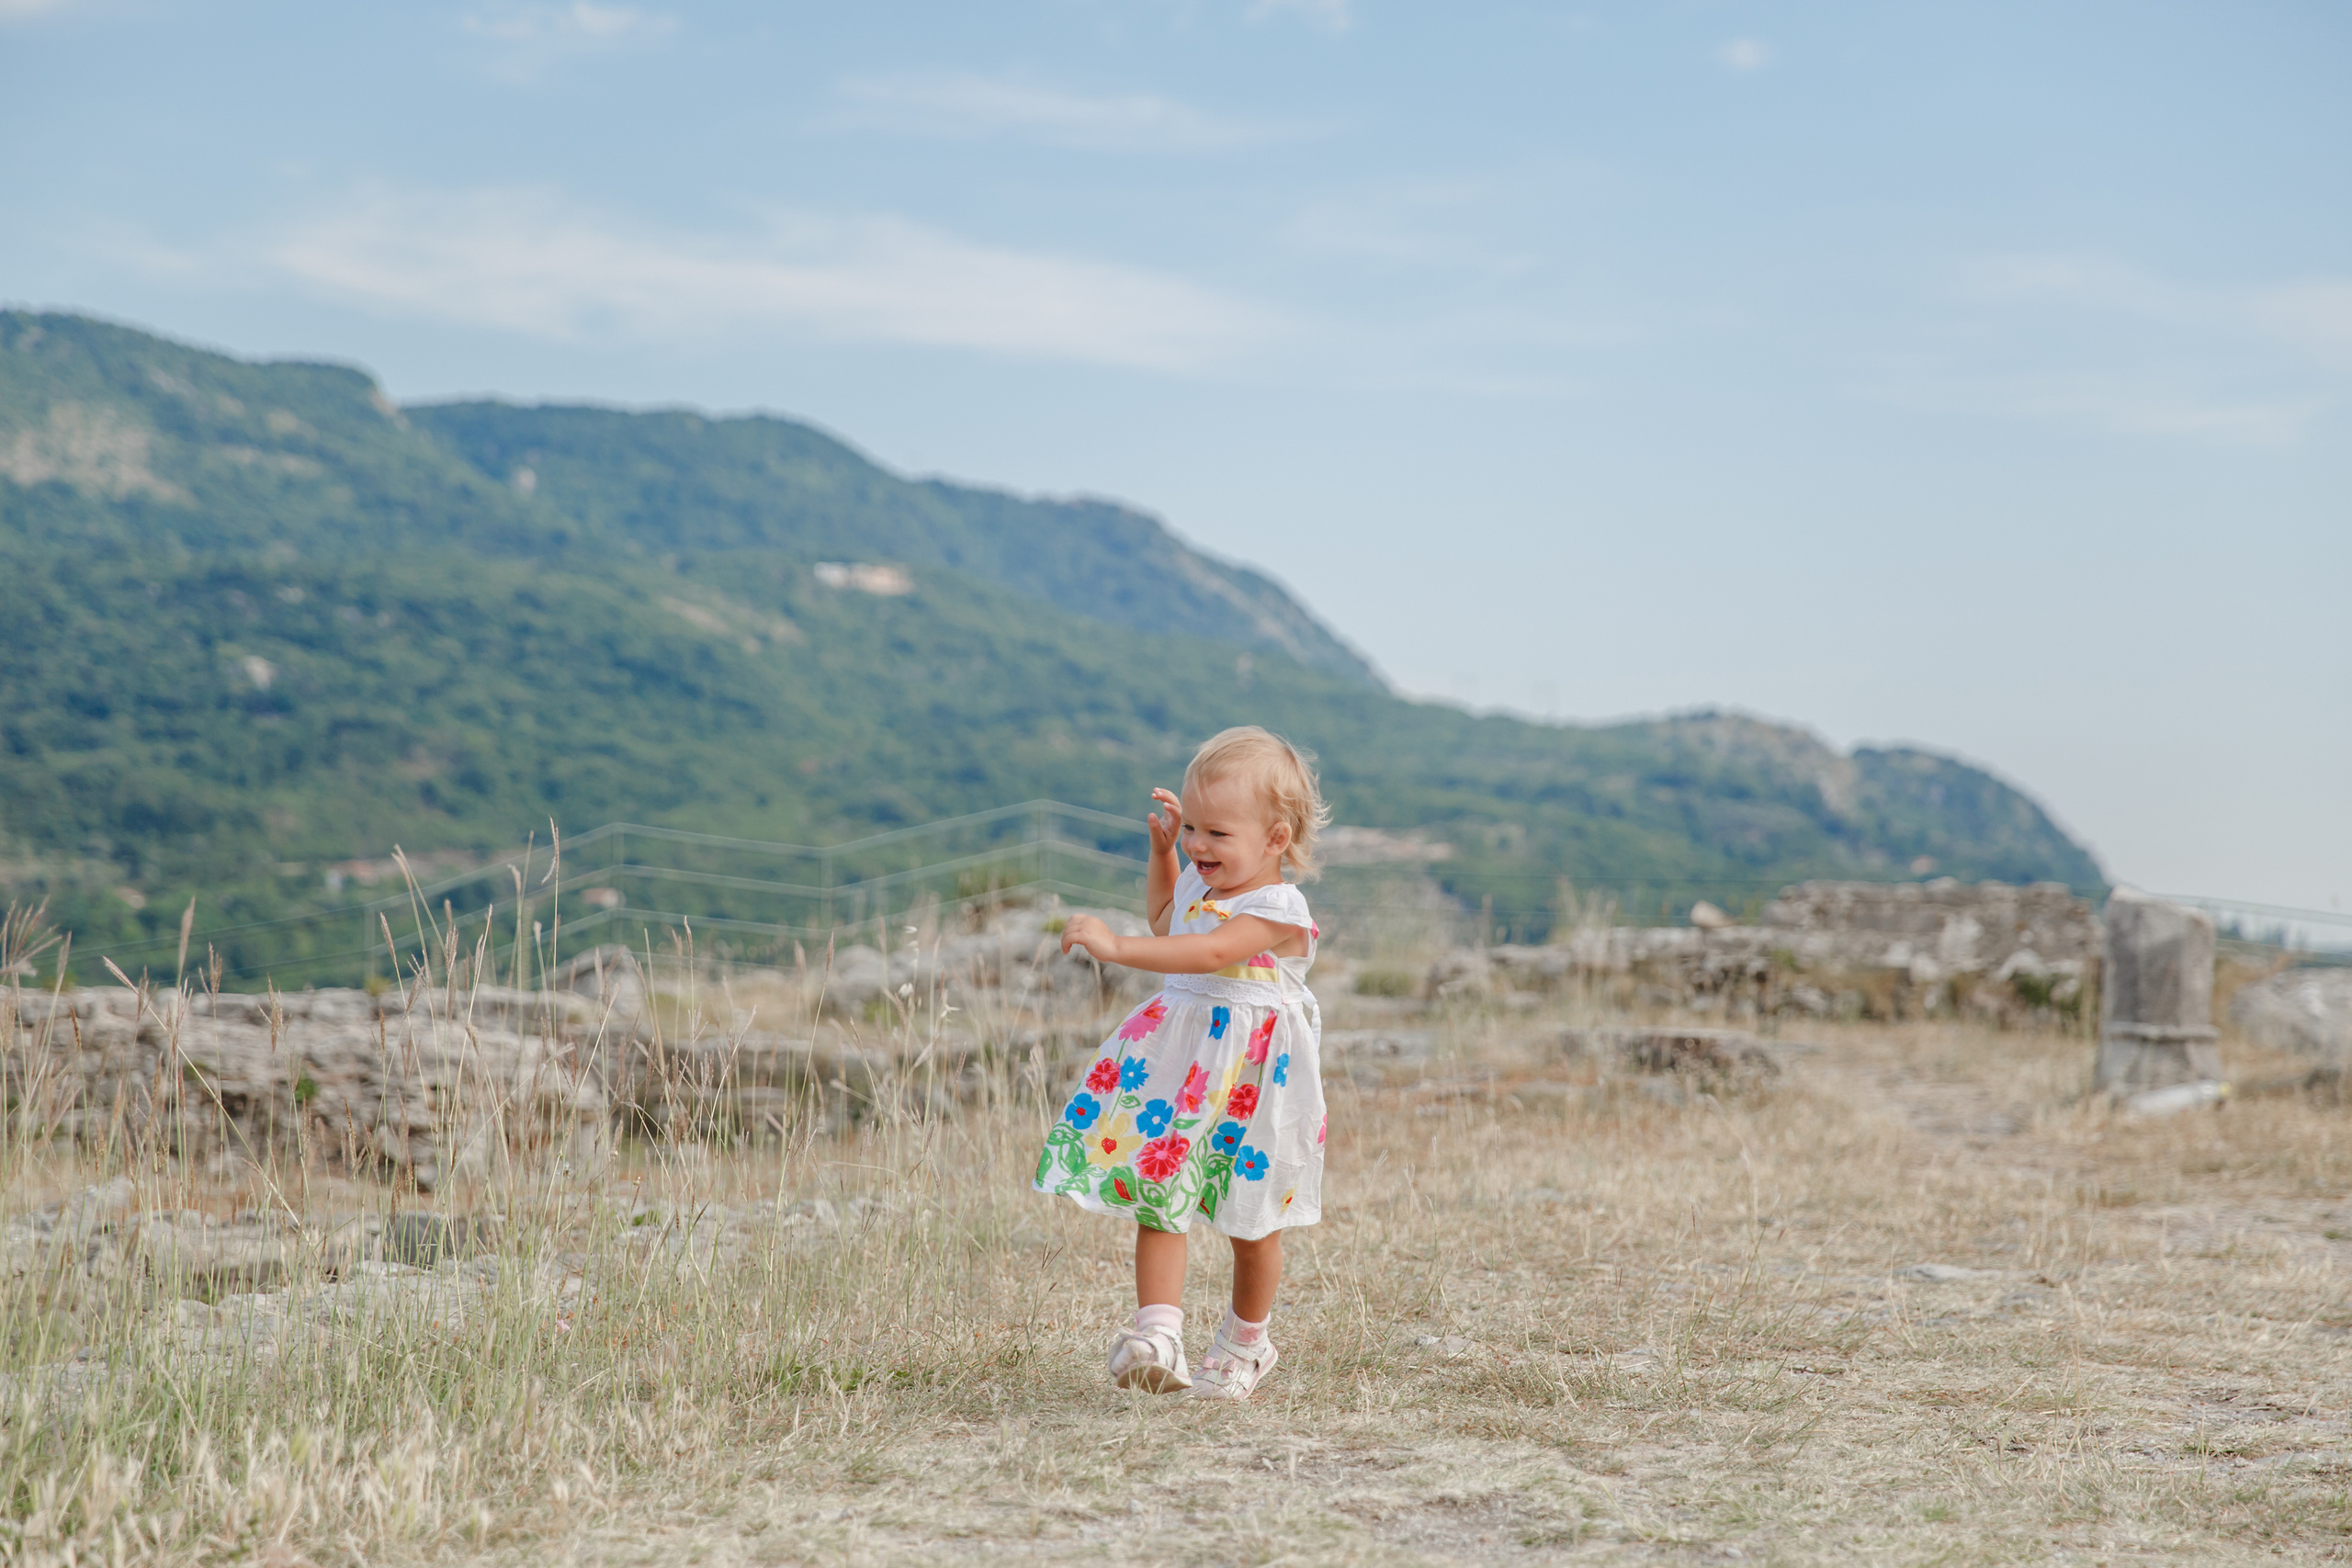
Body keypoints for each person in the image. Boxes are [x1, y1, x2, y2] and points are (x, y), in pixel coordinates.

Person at [1036, 726, 1330, 1401]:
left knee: (1252, 1222)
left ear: (1276, 839)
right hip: (1188, 1070)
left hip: (1252, 1083)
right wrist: (1163, 854)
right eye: (1193, 827)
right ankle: (1159, 1335)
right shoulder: (1198, 876)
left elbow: (1209, 952)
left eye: (1216, 833)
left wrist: (1116, 947)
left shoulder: (1277, 908)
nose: (1199, 844)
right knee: (1158, 1188)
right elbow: (1171, 922)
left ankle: (1246, 1342)